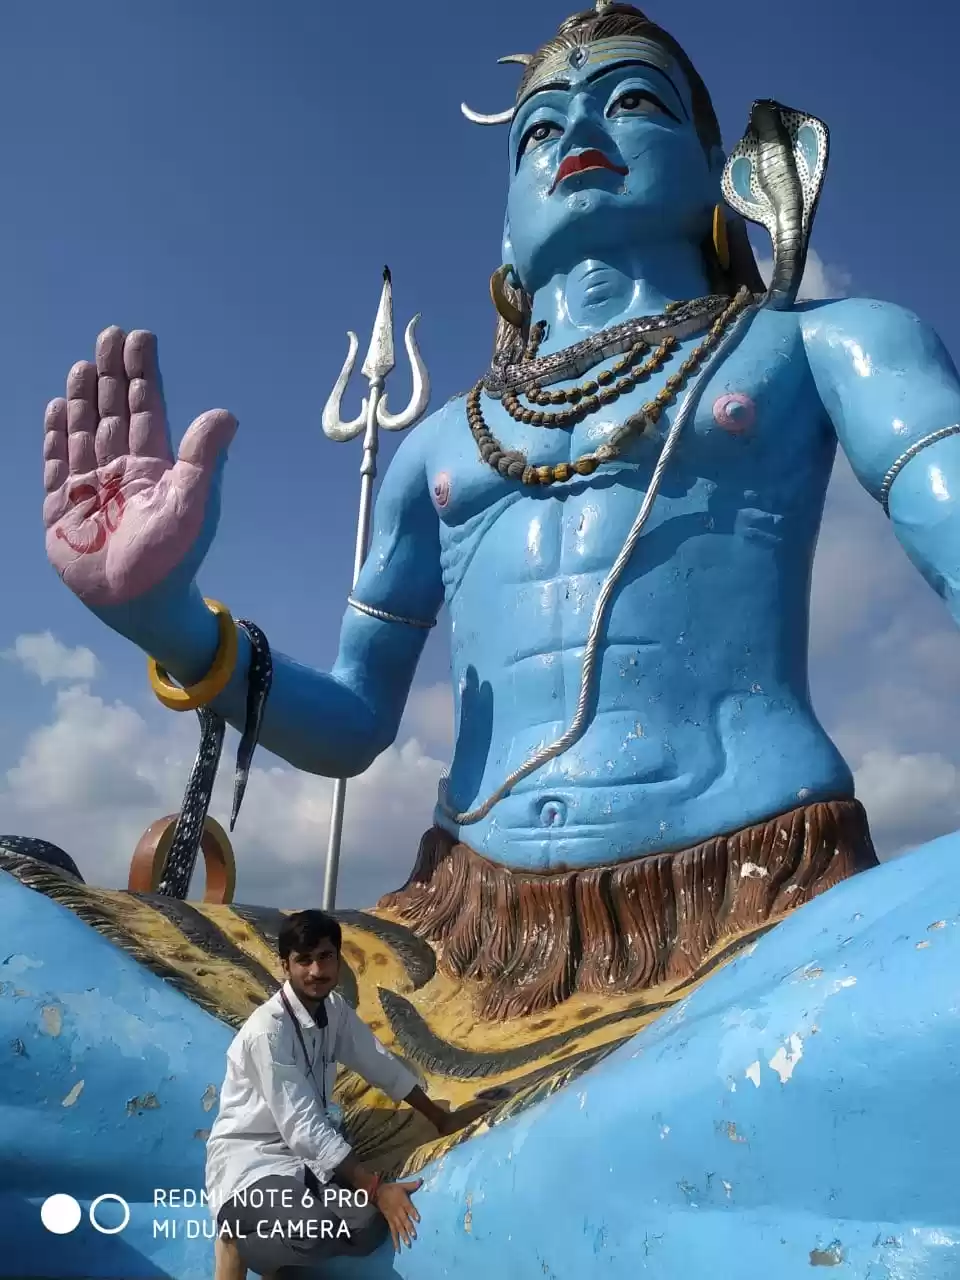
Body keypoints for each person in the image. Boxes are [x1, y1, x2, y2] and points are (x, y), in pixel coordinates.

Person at [206, 909, 487, 1278]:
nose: (316, 970)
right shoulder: (267, 1032)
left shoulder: (333, 1010)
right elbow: (303, 1126)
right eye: (303, 960)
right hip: (252, 1166)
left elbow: (379, 1064)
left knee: (368, 1228)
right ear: (285, 965)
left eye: (325, 957)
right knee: (316, 1230)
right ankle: (239, 1241)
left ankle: (275, 1249)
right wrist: (375, 1187)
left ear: (338, 959)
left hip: (304, 1164)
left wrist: (440, 1118)